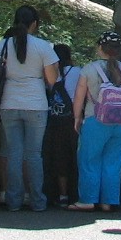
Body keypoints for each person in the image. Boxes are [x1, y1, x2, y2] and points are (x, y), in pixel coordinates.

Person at [0, 5, 59, 211]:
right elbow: (52, 79)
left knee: (13, 153)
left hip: (9, 103)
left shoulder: (2, 44)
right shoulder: (43, 46)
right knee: (34, 154)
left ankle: (13, 201)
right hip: (36, 104)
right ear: (34, 24)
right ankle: (37, 201)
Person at [70, 31, 121, 211]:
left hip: (95, 120)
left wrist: (77, 117)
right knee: (113, 161)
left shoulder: (89, 69)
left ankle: (88, 200)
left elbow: (79, 97)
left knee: (89, 160)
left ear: (100, 48)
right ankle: (108, 201)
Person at [45, 43, 80, 207]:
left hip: (55, 121)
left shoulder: (50, 75)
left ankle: (62, 194)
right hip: (74, 119)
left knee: (59, 158)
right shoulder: (78, 72)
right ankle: (77, 193)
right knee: (76, 156)